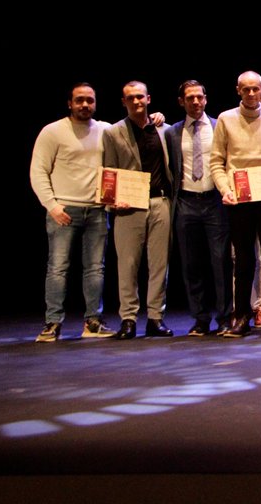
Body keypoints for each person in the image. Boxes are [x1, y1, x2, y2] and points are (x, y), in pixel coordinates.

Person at [209, 70, 261, 337]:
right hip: (239, 198)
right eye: (245, 89)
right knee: (243, 260)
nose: (250, 93)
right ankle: (242, 316)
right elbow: (217, 161)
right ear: (238, 91)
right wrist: (225, 190)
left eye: (255, 88)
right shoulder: (226, 119)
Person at [29, 83, 115, 342]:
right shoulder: (53, 131)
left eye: (90, 100)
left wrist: (157, 118)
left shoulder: (106, 130)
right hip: (64, 210)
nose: (85, 105)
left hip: (97, 211)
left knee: (95, 269)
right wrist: (53, 206)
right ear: (70, 103)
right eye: (79, 100)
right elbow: (38, 171)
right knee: (58, 268)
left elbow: (131, 137)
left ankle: (93, 322)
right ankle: (52, 323)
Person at [101, 81, 174, 339]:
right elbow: (109, 170)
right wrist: (111, 202)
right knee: (128, 264)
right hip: (129, 205)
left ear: (148, 99)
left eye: (140, 97)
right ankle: (128, 319)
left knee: (159, 264)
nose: (136, 101)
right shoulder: (113, 132)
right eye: (130, 98)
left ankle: (155, 317)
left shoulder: (163, 129)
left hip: (160, 202)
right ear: (123, 102)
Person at [166, 80, 232, 336]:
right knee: (191, 264)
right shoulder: (172, 132)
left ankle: (225, 317)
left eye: (199, 97)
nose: (195, 102)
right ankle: (200, 319)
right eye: (190, 98)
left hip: (214, 201)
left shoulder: (218, 126)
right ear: (181, 101)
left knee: (221, 261)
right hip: (186, 202)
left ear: (206, 99)